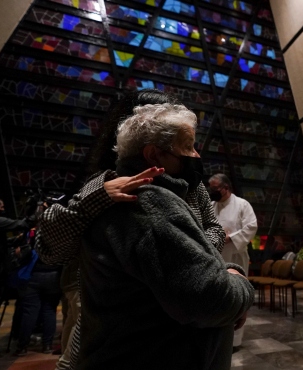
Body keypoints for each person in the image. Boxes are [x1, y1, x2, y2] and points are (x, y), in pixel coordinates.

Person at [35, 90, 226, 370]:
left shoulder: (192, 185)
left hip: (176, 324)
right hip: (118, 325)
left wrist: (194, 252)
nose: (195, 153)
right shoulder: (108, 182)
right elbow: (50, 248)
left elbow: (214, 229)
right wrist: (96, 198)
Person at [79, 103, 253, 370]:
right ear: (154, 155)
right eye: (188, 147)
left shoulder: (120, 198)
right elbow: (209, 299)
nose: (196, 155)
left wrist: (224, 268)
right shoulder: (151, 205)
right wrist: (240, 283)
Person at [208, 173, 257, 348]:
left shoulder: (242, 204)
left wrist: (231, 238)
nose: (211, 192)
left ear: (226, 188)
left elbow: (251, 226)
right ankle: (218, 335)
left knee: (236, 295)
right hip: (216, 256)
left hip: (236, 256)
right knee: (218, 296)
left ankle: (235, 342)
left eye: (214, 189)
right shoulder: (211, 205)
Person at [0, 197, 36, 297]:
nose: (3, 210)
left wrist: (16, 239)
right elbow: (23, 224)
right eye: (1, 207)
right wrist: (37, 212)